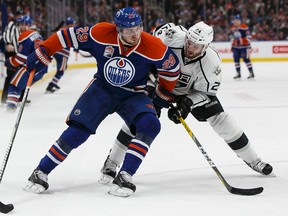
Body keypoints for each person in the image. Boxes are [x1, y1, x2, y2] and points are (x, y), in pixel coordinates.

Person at [24, 7, 180, 197]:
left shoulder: (154, 46)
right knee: (77, 132)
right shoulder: (100, 33)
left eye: (138, 28)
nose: (136, 33)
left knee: (150, 124)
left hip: (133, 94)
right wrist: (45, 51)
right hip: (102, 89)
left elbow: (172, 71)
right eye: (130, 30)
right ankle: (40, 171)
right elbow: (65, 36)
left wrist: (163, 93)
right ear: (118, 29)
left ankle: (125, 174)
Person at [99, 21, 273, 185]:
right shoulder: (171, 36)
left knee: (223, 120)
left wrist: (187, 104)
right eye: (189, 42)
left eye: (196, 46)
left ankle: (254, 160)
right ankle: (112, 162)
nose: (190, 47)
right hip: (159, 84)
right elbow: (149, 42)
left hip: (189, 93)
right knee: (137, 120)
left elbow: (205, 93)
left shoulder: (212, 63)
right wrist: (151, 76)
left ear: (205, 47)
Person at [5, 15, 48, 110]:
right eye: (19, 24)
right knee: (21, 84)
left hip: (31, 67)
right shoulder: (37, 34)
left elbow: (20, 58)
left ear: (28, 25)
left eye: (23, 24)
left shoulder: (25, 35)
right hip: (42, 69)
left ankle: (10, 108)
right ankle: (19, 100)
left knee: (14, 85)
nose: (20, 27)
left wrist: (9, 62)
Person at [45, 17, 78, 93]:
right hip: (63, 54)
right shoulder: (69, 32)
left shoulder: (62, 30)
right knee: (61, 70)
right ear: (69, 25)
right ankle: (51, 85)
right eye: (73, 24)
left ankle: (54, 83)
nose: (74, 25)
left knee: (61, 69)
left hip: (57, 52)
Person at [1, 7, 24, 104]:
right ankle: (5, 98)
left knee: (22, 75)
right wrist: (8, 43)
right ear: (16, 15)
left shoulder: (24, 25)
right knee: (10, 76)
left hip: (21, 53)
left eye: (21, 15)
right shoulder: (11, 24)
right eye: (18, 15)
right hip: (12, 53)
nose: (20, 16)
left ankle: (19, 98)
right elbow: (5, 35)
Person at [231, 15, 254, 79]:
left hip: (244, 47)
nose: (234, 22)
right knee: (236, 59)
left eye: (235, 20)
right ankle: (238, 73)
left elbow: (249, 38)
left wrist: (243, 40)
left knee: (246, 59)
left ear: (239, 21)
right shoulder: (233, 27)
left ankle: (251, 73)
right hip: (236, 47)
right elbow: (234, 37)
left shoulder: (244, 27)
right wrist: (232, 45)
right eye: (234, 20)